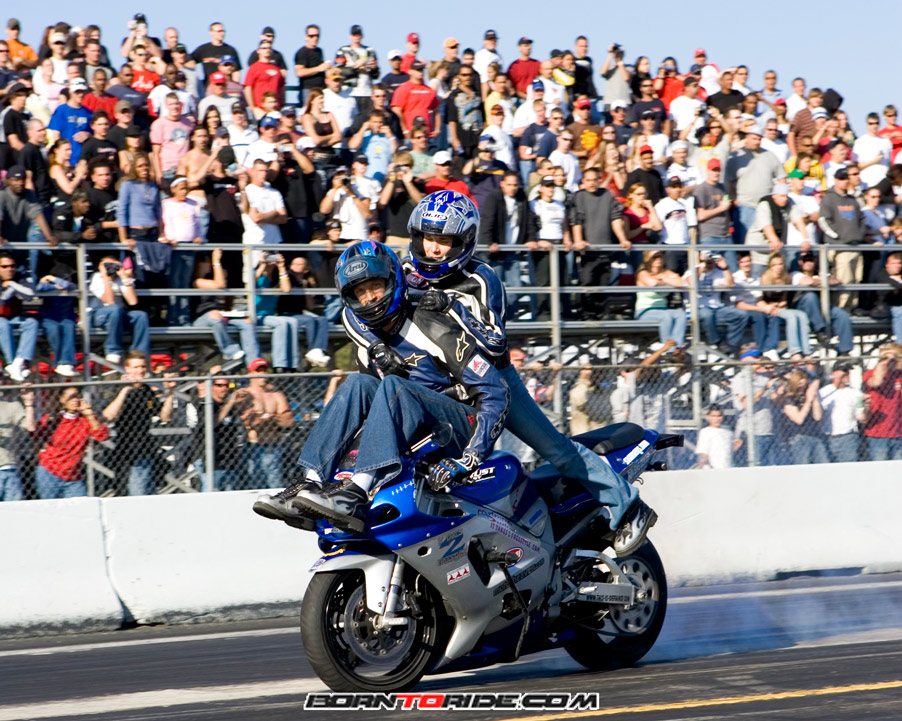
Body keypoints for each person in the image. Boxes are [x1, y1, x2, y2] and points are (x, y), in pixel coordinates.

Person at [404, 191, 654, 552]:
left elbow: (495, 343)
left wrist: (450, 306)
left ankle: (627, 504)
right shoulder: (407, 272)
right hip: (442, 386)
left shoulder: (482, 279)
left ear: (464, 241)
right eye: (427, 237)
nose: (433, 248)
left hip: (494, 382)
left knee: (556, 449)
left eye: (443, 240)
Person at [257, 239, 509, 534]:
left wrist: (470, 457)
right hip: (414, 429)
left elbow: (496, 392)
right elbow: (373, 406)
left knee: (393, 386)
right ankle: (310, 483)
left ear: (393, 280)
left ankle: (356, 492)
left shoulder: (433, 324)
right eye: (359, 292)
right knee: (357, 382)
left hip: (459, 427)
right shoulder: (367, 343)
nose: (369, 299)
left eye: (375, 286)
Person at [101, 351, 165, 495]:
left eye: (142, 367)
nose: (140, 371)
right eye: (136, 367)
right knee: (130, 492)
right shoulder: (118, 388)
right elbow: (107, 416)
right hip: (125, 448)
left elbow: (163, 416)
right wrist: (126, 389)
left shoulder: (147, 390)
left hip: (145, 448)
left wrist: (170, 392)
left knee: (146, 492)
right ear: (127, 369)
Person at [34, 386, 109, 498]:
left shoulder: (85, 420)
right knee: (50, 506)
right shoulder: (53, 419)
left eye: (77, 397)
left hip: (73, 475)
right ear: (62, 399)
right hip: (50, 471)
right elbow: (36, 437)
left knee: (80, 505)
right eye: (71, 397)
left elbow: (102, 436)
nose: (75, 400)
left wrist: (89, 413)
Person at [241, 357, 293, 488]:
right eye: (258, 371)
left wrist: (268, 418)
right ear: (250, 373)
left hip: (274, 447)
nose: (263, 374)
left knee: (276, 487)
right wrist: (271, 418)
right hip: (254, 447)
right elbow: (248, 422)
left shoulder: (276, 395)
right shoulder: (245, 395)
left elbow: (288, 421)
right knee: (256, 487)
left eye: (264, 370)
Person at [88, 255, 150, 364]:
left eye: (113, 265)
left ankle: (139, 353)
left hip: (117, 316)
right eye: (107, 265)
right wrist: (105, 278)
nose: (110, 268)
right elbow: (109, 301)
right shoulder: (97, 277)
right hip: (98, 316)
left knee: (140, 315)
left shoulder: (120, 278)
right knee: (115, 308)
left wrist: (123, 277)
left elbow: (133, 301)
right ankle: (113, 350)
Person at [774, 369, 828, 465]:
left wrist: (814, 397)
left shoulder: (808, 396)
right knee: (803, 465)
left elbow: (818, 417)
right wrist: (808, 401)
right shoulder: (790, 399)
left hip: (815, 435)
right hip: (799, 437)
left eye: (804, 385)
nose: (802, 388)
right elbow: (799, 419)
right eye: (800, 385)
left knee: (823, 463)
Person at [635, 249, 687, 347]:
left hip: (663, 309)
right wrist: (669, 281)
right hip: (645, 311)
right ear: (648, 259)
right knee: (666, 316)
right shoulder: (643, 273)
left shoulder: (666, 273)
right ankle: (667, 349)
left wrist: (663, 279)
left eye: (660, 256)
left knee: (681, 314)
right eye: (654, 257)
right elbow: (652, 283)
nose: (658, 259)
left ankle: (677, 347)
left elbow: (681, 283)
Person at [0, 249, 37, 382]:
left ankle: (18, 362)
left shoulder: (18, 278)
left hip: (13, 317)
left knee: (32, 323)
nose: (9, 269)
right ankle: (11, 363)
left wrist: (11, 284)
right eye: (4, 266)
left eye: (12, 266)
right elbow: (2, 300)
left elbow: (29, 295)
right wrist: (12, 289)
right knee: (2, 324)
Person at [862, 343, 902, 461]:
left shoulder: (899, 375)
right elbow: (876, 382)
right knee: (880, 466)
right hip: (878, 434)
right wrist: (883, 362)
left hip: (898, 432)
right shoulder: (870, 373)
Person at [819, 363, 864, 463]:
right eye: (843, 371)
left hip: (847, 437)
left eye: (848, 372)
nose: (846, 374)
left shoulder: (856, 393)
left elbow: (861, 416)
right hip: (827, 436)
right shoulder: (823, 392)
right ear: (834, 373)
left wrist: (867, 406)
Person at [0, 381, 35, 501]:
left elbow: (30, 426)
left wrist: (28, 402)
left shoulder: (11, 406)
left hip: (8, 467)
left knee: (14, 509)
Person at [47, 78, 92, 163]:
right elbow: (56, 136)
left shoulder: (88, 112)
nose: (81, 95)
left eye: (83, 92)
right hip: (67, 159)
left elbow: (93, 134)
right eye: (77, 92)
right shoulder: (61, 110)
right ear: (71, 92)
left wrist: (88, 135)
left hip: (83, 160)